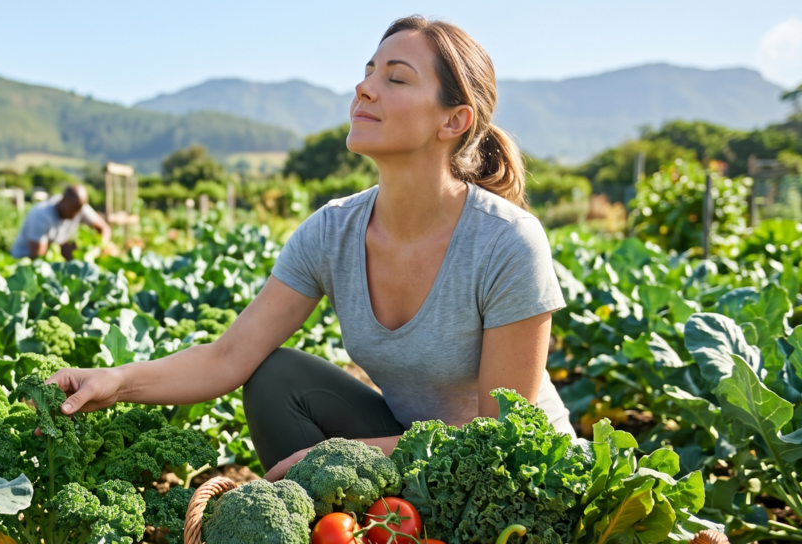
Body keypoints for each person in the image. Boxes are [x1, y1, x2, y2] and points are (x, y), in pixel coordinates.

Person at [48, 15, 575, 481]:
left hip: (515, 480)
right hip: (414, 454)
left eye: (394, 78)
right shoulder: (333, 231)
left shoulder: (506, 240)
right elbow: (229, 357)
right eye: (369, 71)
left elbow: (501, 438)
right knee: (276, 377)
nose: (364, 88)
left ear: (453, 120)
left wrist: (343, 458)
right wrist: (114, 381)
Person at [10, 184, 112, 260]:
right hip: (24, 259)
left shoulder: (78, 207)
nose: (75, 215)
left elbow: (104, 228)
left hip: (53, 254)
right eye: (72, 210)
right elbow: (38, 257)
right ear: (63, 201)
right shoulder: (41, 215)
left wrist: (97, 249)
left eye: (78, 211)